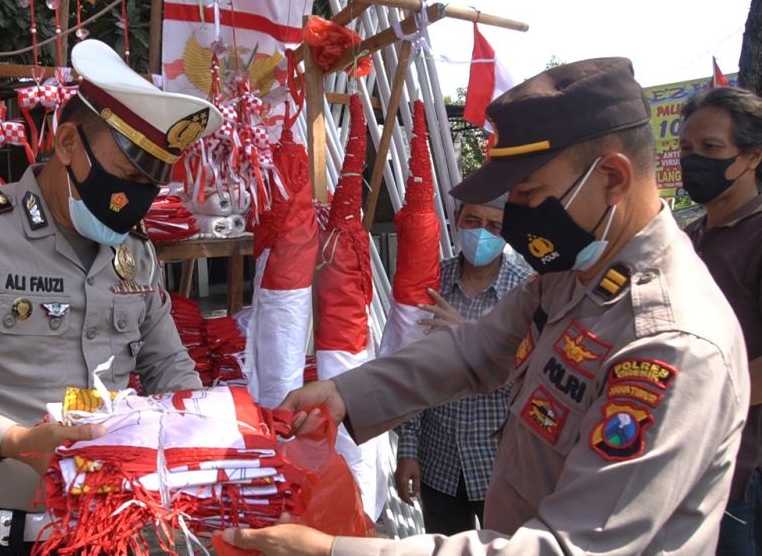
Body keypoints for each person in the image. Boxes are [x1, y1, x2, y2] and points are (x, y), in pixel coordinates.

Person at [223, 57, 750, 555]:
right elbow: (476, 349)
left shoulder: (670, 342)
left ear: (611, 179)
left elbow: (569, 547)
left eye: (529, 193)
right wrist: (346, 393)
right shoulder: (573, 277)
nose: (515, 216)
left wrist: (335, 549)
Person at [0, 40, 221, 555]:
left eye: (149, 185)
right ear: (68, 143)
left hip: (106, 529)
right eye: (125, 177)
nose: (133, 201)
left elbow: (169, 367)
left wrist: (204, 434)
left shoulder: (135, 252)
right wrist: (12, 441)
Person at [394, 196, 532, 534]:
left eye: (494, 225)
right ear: (456, 219)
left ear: (508, 231)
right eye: (473, 221)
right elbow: (413, 371)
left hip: (500, 465)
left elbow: (532, 377)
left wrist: (469, 338)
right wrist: (407, 451)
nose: (482, 233)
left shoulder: (527, 291)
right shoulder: (431, 284)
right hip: (438, 460)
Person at [679, 86, 762, 556]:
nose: (693, 161)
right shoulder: (690, 238)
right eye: (687, 148)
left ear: (752, 157)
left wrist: (700, 400)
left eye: (711, 149)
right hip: (689, 460)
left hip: (742, 470)